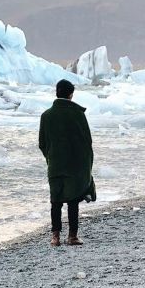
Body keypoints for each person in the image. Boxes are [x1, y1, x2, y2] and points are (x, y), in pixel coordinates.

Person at [39, 79, 94, 246]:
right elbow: (87, 142)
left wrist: (51, 158)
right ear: (71, 94)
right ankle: (72, 236)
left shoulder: (46, 116)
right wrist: (86, 164)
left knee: (55, 201)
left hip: (55, 164)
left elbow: (42, 143)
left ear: (57, 92)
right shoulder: (78, 114)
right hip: (74, 165)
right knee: (73, 200)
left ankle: (55, 237)